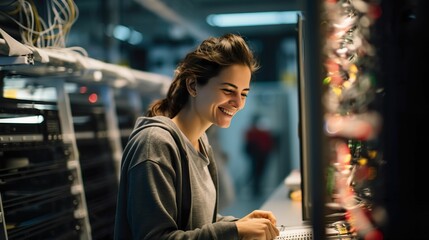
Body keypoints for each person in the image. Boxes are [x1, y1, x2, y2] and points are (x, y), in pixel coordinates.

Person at [113, 33, 280, 240]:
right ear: (193, 86)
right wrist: (234, 231)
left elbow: (197, 224)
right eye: (228, 90)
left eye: (244, 93)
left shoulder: (201, 143)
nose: (238, 103)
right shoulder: (155, 143)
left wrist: (238, 224)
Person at [244, 114, 275, 196]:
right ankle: (255, 189)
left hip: (264, 155)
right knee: (255, 173)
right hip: (256, 156)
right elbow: (249, 143)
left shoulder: (264, 131)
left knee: (260, 172)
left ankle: (258, 189)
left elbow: (269, 143)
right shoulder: (252, 131)